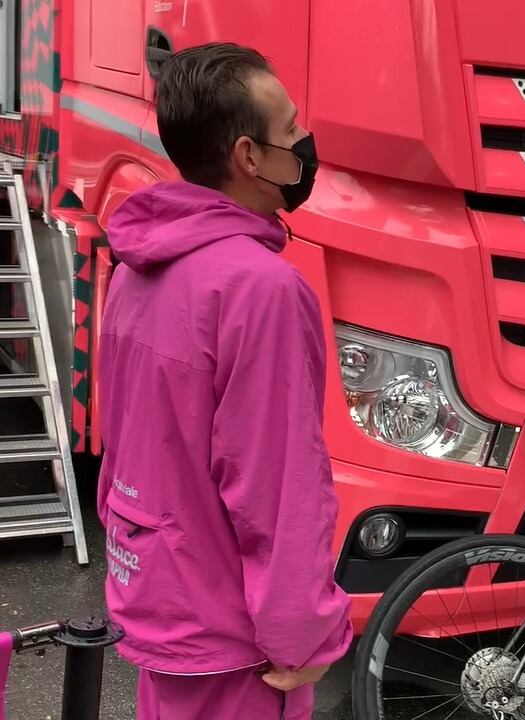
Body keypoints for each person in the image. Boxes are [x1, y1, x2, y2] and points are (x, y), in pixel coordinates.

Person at [96, 43, 351, 719]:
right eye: (290, 128)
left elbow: (123, 441)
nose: (303, 139)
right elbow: (279, 483)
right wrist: (305, 632)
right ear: (248, 156)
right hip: (233, 637)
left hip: (157, 594)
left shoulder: (137, 265)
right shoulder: (261, 290)